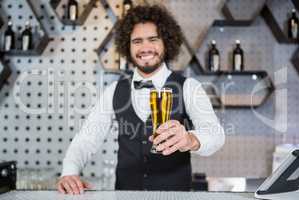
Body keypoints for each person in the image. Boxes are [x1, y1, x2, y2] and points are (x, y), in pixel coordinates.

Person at [57, 5, 225, 195]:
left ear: (166, 43)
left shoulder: (189, 87)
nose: (145, 48)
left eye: (152, 39)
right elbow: (86, 139)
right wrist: (69, 172)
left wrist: (190, 139)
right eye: (137, 41)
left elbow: (216, 134)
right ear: (127, 47)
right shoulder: (114, 91)